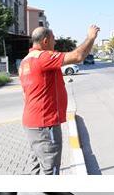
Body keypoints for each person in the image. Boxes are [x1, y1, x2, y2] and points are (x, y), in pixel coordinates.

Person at [19, 25, 99, 174]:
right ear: (45, 41)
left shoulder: (25, 61)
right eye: (53, 39)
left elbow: (25, 94)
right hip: (45, 125)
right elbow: (78, 56)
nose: (55, 43)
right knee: (51, 170)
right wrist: (91, 37)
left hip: (31, 123)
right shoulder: (43, 57)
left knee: (35, 166)